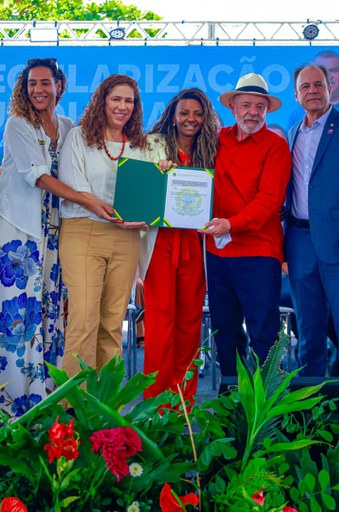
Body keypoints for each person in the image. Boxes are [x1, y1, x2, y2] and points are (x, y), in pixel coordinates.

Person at [0, 58, 113, 418]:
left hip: (52, 232)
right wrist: (87, 200)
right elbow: (37, 176)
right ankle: (7, 407)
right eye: (31, 83)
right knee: (14, 317)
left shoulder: (68, 127)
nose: (38, 90)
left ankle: (44, 401)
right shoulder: (17, 124)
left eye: (45, 83)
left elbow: (92, 161)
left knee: (48, 313)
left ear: (59, 86)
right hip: (17, 233)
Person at [201, 73, 291, 391]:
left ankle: (269, 404)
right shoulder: (214, 139)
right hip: (217, 251)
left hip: (259, 252)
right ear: (233, 107)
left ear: (267, 109)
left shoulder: (276, 146)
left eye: (259, 106)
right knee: (224, 330)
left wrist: (232, 224)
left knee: (263, 332)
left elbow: (270, 200)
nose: (253, 112)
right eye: (246, 105)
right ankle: (230, 400)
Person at [285, 63, 339, 377]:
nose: (312, 91)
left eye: (318, 85)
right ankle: (309, 401)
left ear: (330, 88)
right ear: (296, 95)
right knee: (308, 332)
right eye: (305, 86)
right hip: (299, 243)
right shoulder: (291, 134)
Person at [59, 74, 149, 378]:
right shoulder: (78, 137)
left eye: (129, 101)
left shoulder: (141, 145)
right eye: (116, 99)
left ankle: (108, 402)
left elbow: (147, 194)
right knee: (84, 320)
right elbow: (75, 186)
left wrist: (160, 180)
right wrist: (109, 211)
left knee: (112, 324)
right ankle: (73, 402)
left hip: (127, 238)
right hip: (83, 231)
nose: (122, 107)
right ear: (102, 101)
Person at [141, 88, 217, 401]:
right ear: (173, 115)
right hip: (161, 242)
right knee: (159, 325)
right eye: (184, 113)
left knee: (189, 324)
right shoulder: (151, 145)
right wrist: (156, 175)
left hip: (195, 244)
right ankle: (156, 407)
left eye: (198, 114)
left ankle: (183, 405)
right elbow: (139, 193)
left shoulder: (211, 149)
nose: (191, 119)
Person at [288, 50, 339, 124]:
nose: (329, 76)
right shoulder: (296, 116)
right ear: (296, 95)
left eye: (333, 70)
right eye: (305, 86)